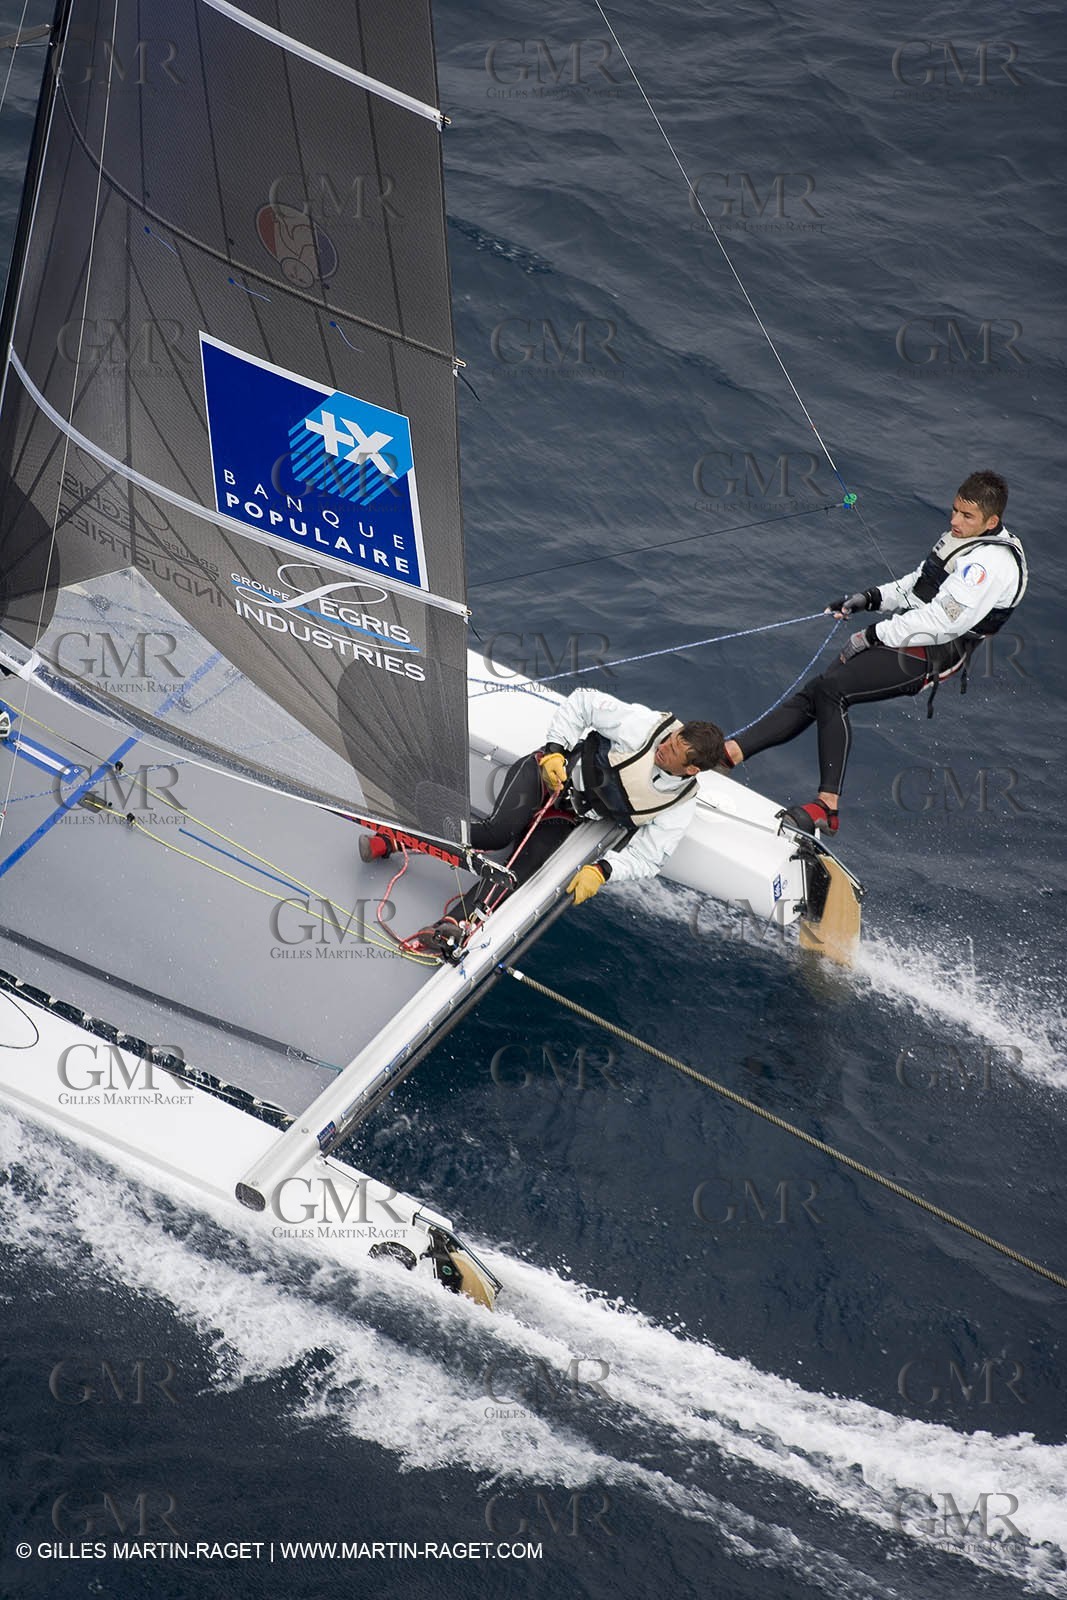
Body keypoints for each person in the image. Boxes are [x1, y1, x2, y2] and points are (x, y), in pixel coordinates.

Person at [723, 470, 1027, 834]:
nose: (954, 521)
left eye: (966, 516)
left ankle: (827, 807)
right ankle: (730, 754)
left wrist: (872, 634)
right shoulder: (965, 537)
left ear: (992, 521)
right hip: (911, 633)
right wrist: (869, 599)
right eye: (954, 511)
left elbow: (942, 623)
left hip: (935, 651)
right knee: (820, 689)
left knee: (833, 692)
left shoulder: (990, 566)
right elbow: (918, 584)